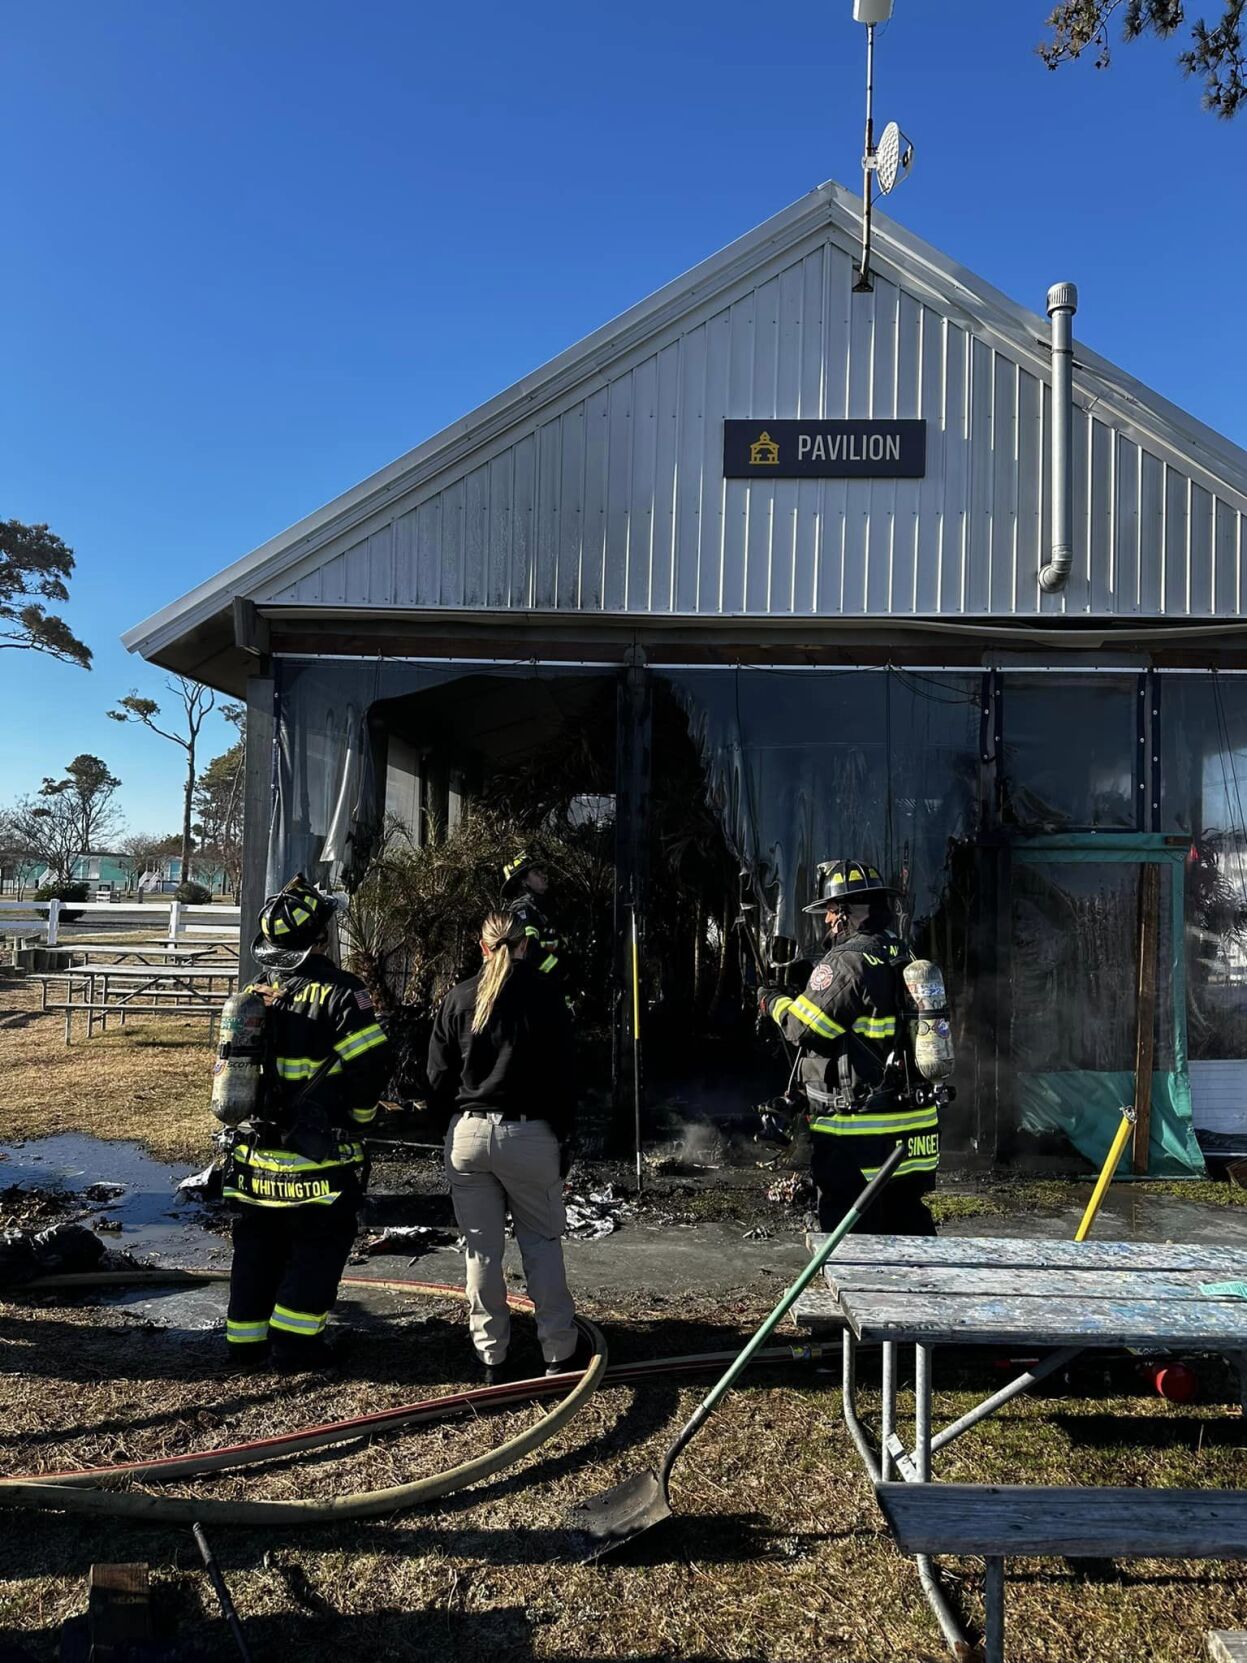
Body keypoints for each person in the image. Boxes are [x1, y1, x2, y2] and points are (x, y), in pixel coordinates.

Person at [223, 875, 390, 1372]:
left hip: (255, 1156)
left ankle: (245, 1343)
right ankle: (296, 1344)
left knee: (257, 1246)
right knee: (319, 1244)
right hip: (317, 1156)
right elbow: (370, 1068)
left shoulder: (253, 995)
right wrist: (361, 1119)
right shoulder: (343, 995)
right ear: (320, 939)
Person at [427, 910, 589, 1384]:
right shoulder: (546, 997)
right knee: (540, 1244)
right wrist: (563, 1136)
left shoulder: (457, 999)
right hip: (529, 1135)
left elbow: (436, 1078)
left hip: (468, 1135)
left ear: (481, 947)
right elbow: (566, 1076)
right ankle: (558, 1350)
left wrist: (449, 1127)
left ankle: (490, 1356)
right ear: (524, 946)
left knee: (480, 1251)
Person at [757, 858, 940, 1237]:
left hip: (858, 1137)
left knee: (852, 1246)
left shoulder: (847, 960)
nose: (825, 921)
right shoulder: (904, 952)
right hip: (914, 1134)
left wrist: (772, 1001)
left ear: (843, 912)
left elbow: (801, 1027)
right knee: (908, 1230)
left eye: (827, 912)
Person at [502, 851, 564, 982]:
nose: (544, 876)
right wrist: (559, 970)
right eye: (537, 873)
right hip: (538, 982)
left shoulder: (544, 905)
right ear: (524, 881)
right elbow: (529, 948)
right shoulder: (522, 910)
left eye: (543, 872)